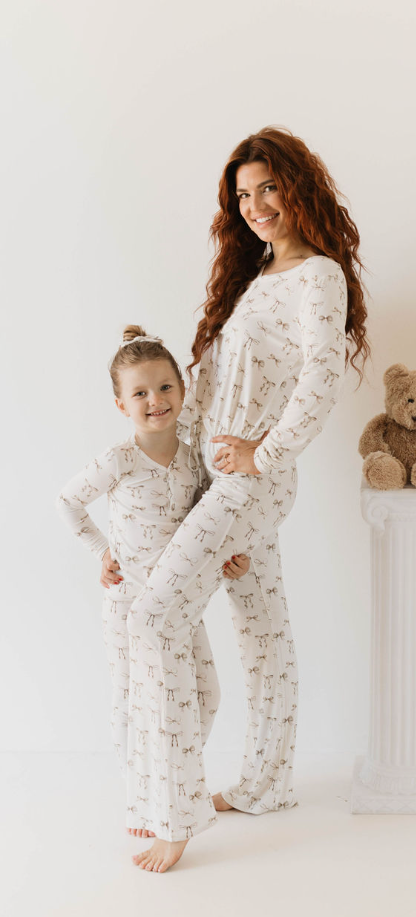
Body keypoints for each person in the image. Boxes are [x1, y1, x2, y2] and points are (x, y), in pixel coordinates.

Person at [125, 126, 370, 871]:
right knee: (264, 632)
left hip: (251, 480)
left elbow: (321, 377)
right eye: (244, 194)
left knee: (156, 613)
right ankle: (265, 784)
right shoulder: (258, 277)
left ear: (298, 188)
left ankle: (175, 809)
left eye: (268, 188)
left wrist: (263, 454)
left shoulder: (319, 276)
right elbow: (212, 387)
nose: (257, 204)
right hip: (219, 477)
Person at [56, 325, 251, 838]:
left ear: (183, 391)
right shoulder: (118, 460)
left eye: (165, 387)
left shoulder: (193, 458)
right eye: (139, 392)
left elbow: (209, 519)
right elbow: (68, 502)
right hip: (130, 605)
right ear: (121, 405)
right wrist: (102, 551)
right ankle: (148, 803)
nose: (155, 400)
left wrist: (232, 555)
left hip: (179, 607)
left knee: (204, 696)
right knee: (137, 706)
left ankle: (162, 782)